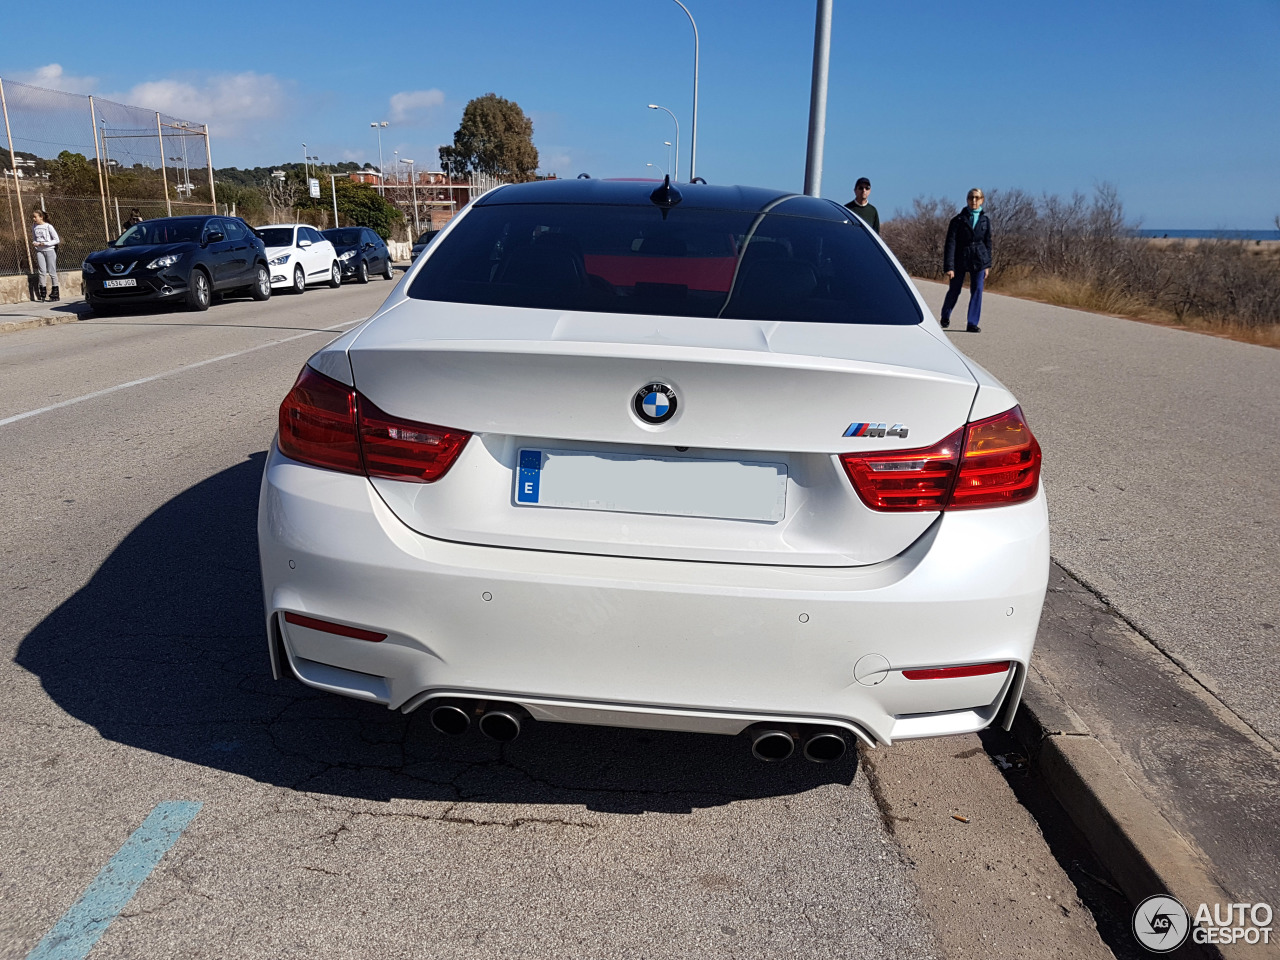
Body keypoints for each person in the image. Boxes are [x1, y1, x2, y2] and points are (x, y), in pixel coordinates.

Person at [941, 188, 992, 332]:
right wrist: (949, 266)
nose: (974, 201)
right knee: (955, 290)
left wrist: (987, 265)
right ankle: (945, 315)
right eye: (971, 198)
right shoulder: (957, 220)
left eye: (977, 198)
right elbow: (950, 244)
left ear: (982, 200)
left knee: (977, 290)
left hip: (979, 259)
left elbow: (988, 243)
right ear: (967, 200)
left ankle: (972, 323)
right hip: (960, 258)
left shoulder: (985, 221)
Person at [31, 210, 61, 302]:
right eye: (33, 217)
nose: (34, 219)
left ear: (41, 217)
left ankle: (55, 293)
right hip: (39, 251)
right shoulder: (34, 226)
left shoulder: (48, 226)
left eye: (35, 217)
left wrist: (46, 243)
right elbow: (34, 238)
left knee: (52, 272)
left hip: (49, 250)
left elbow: (56, 240)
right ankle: (42, 292)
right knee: (42, 272)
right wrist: (35, 243)